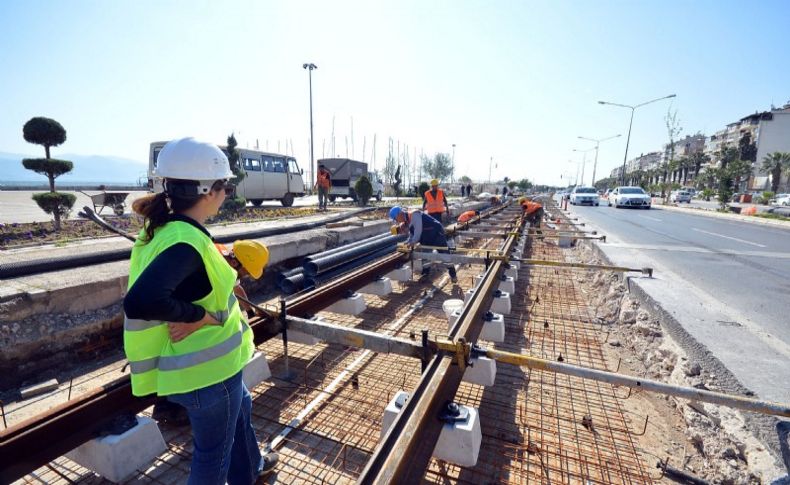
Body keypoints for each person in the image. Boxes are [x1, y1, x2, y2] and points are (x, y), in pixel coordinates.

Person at [123, 138, 278, 484]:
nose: (228, 192)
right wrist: (199, 318)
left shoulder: (164, 230)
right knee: (211, 460)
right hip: (207, 374)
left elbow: (193, 291)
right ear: (209, 191)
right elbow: (141, 301)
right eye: (226, 185)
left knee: (241, 413)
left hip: (202, 369)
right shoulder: (186, 242)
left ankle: (250, 470)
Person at [389, 206, 457, 283]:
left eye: (395, 219)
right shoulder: (406, 220)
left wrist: (411, 243)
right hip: (426, 236)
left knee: (445, 255)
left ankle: (453, 274)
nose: (396, 221)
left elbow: (417, 233)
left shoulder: (414, 214)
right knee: (425, 255)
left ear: (399, 214)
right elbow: (412, 234)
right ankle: (425, 273)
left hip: (436, 233)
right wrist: (406, 243)